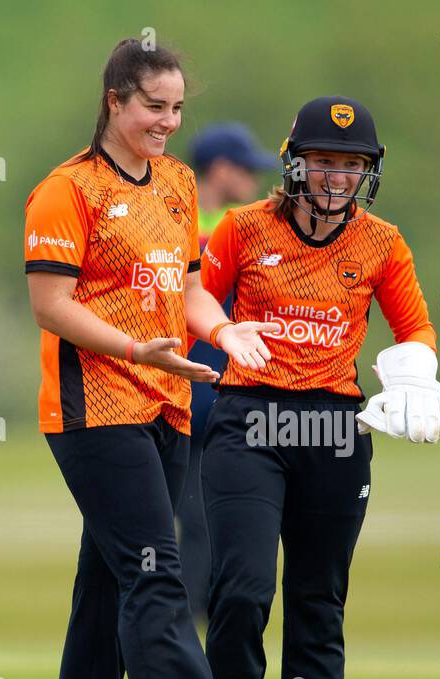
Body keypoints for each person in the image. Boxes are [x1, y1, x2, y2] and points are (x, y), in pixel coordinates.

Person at [24, 38, 284, 679]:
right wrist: (140, 348)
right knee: (155, 572)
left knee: (106, 590)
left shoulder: (175, 183)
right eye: (153, 107)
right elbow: (51, 304)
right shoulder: (65, 190)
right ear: (115, 102)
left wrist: (224, 330)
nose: (167, 122)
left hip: (163, 406)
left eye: (176, 108)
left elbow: (191, 287)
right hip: (93, 411)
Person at [198, 96, 440, 679]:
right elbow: (193, 299)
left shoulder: (382, 241)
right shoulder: (244, 228)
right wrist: (221, 334)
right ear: (295, 164)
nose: (338, 177)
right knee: (243, 591)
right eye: (325, 163)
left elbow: (417, 328)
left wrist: (413, 375)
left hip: (335, 427)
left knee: (319, 601)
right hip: (249, 416)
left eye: (352, 164)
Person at [178, 123, 278, 621]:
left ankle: (196, 614)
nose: (257, 182)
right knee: (199, 516)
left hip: (206, 390)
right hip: (198, 391)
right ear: (220, 169)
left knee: (202, 514)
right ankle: (194, 615)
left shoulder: (186, 220)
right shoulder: (214, 228)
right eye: (247, 171)